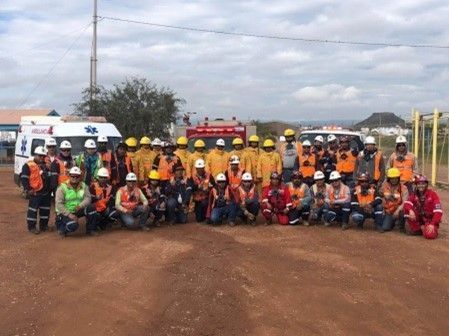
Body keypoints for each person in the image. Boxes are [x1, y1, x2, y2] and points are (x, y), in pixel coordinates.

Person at [55, 166, 98, 237]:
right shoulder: (62, 188)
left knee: (91, 208)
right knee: (73, 225)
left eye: (77, 176)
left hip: (77, 209)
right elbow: (59, 204)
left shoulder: (84, 186)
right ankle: (62, 229)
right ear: (69, 176)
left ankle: (91, 230)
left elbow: (88, 198)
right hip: (65, 212)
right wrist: (69, 214)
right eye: (73, 176)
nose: (75, 178)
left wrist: (80, 206)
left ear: (80, 177)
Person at [21, 146, 51, 234]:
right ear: (35, 155)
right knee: (33, 210)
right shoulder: (28, 165)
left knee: (45, 210)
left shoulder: (46, 165)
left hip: (46, 192)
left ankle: (44, 226)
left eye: (43, 156)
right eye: (39, 156)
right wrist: (28, 189)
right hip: (35, 192)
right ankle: (32, 227)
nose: (41, 158)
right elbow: (24, 178)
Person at [403, 175, 443, 239]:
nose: (421, 186)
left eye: (423, 184)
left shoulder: (433, 194)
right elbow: (407, 203)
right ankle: (418, 229)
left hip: (430, 220)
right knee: (406, 211)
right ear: (416, 185)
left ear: (426, 185)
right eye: (419, 184)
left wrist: (433, 224)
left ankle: (430, 229)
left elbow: (438, 211)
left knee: (429, 235)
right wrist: (410, 210)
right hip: (419, 218)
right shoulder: (414, 194)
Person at [380, 168, 408, 233]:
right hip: (389, 211)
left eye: (396, 178)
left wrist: (398, 211)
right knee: (385, 228)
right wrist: (383, 209)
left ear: (398, 178)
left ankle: (401, 226)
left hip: (399, 210)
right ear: (389, 178)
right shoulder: (384, 186)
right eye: (392, 178)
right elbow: (381, 198)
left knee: (403, 212)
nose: (394, 180)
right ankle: (392, 222)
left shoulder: (403, 188)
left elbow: (405, 202)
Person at [189, 159, 213, 223]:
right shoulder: (193, 177)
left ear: (204, 168)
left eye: (201, 168)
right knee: (199, 219)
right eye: (198, 168)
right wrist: (198, 186)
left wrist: (210, 186)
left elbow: (214, 185)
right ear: (196, 168)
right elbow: (191, 188)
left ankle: (208, 216)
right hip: (197, 199)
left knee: (205, 203)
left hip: (207, 198)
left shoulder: (209, 175)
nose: (200, 170)